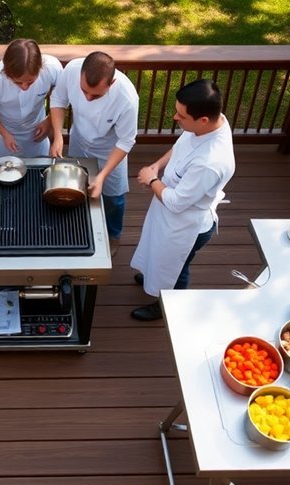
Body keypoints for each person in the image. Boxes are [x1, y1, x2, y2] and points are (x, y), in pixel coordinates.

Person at [129, 79, 236, 321]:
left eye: (181, 115)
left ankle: (167, 306)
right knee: (158, 252)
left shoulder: (211, 162)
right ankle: (152, 274)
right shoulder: (211, 123)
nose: (175, 118)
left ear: (203, 120)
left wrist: (151, 180)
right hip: (167, 210)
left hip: (185, 225)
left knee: (176, 267)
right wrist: (157, 166)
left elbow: (177, 202)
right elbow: (181, 145)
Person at [49, 51, 139, 257]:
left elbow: (126, 141)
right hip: (79, 140)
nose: (88, 98)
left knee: (114, 197)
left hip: (110, 150)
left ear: (112, 82)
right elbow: (58, 100)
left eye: (96, 95)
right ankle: (80, 225)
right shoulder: (71, 70)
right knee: (77, 186)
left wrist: (103, 174)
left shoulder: (127, 99)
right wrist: (58, 136)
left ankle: (113, 234)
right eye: (84, 91)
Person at [0, 39, 62, 159]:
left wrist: (49, 121)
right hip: (5, 131)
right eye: (18, 82)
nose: (25, 87)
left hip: (37, 128)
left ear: (41, 67)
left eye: (30, 82)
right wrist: (4, 134)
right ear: (6, 72)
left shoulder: (52, 68)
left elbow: (61, 96)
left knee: (39, 166)